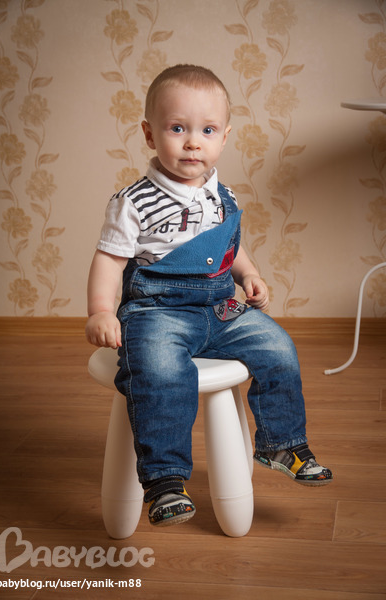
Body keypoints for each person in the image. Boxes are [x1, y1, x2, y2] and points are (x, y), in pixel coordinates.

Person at [86, 64, 332, 528]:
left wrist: (249, 273)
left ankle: (283, 443)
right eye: (177, 128)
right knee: (160, 372)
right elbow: (109, 260)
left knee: (277, 345)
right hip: (157, 312)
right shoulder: (133, 201)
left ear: (224, 137)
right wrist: (100, 311)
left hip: (220, 307)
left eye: (207, 130)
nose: (193, 143)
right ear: (149, 133)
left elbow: (228, 248)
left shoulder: (223, 195)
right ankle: (165, 479)